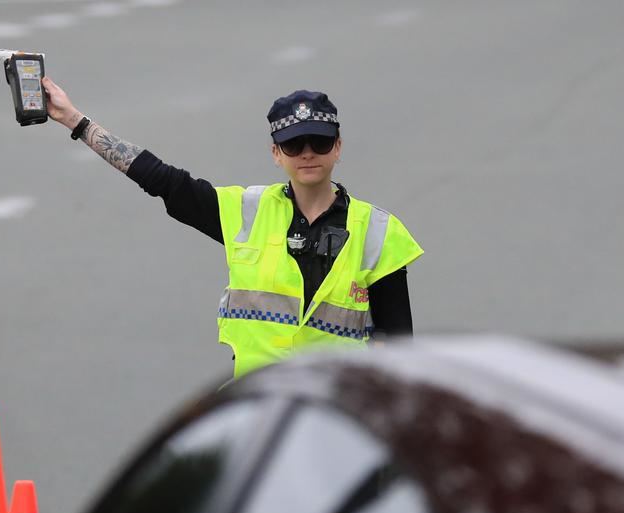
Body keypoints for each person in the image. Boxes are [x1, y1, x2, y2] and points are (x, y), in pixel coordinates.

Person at [37, 78, 423, 378]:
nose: (307, 153)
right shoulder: (244, 212)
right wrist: (75, 120)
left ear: (338, 148)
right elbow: (162, 180)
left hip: (338, 422)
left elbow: (399, 350)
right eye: (293, 145)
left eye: (320, 143)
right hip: (258, 418)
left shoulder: (378, 232)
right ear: (276, 153)